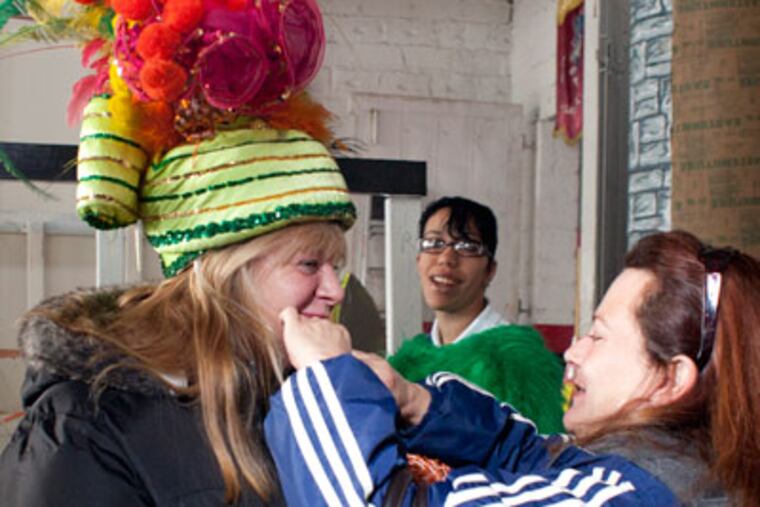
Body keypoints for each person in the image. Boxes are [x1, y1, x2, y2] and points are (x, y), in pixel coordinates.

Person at [0, 0, 357, 505]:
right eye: (308, 264)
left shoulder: (300, 399)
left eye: (334, 267)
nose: (331, 289)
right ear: (225, 272)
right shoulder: (84, 422)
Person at [264, 230, 760, 506]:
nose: (573, 352)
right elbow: (534, 457)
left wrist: (327, 378)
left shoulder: (634, 498)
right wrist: (416, 404)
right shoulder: (665, 462)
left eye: (598, 336)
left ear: (670, 378)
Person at [388, 196, 564, 434]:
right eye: (434, 243)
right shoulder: (407, 363)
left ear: (490, 270)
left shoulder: (518, 362)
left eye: (468, 247)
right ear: (419, 260)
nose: (446, 259)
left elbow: (546, 455)